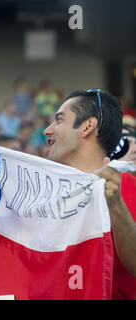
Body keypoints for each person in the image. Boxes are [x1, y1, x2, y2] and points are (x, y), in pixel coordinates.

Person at [43, 89, 136, 299]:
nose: (47, 131)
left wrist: (116, 206)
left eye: (59, 120)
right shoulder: (42, 192)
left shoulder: (130, 187)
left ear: (87, 126)